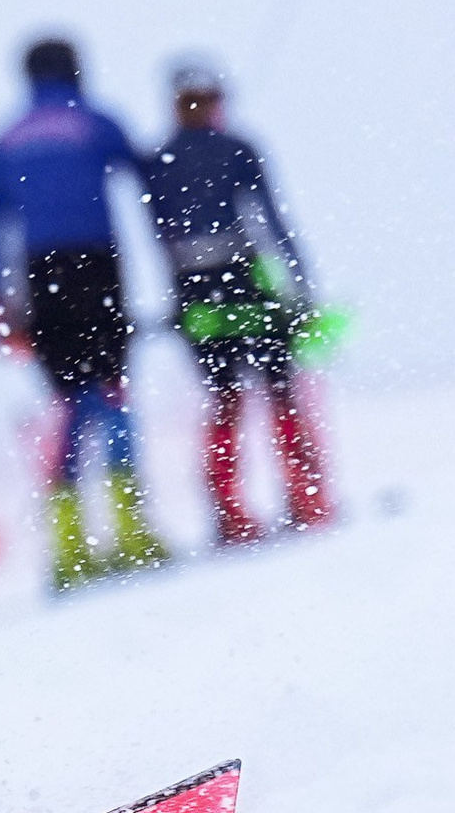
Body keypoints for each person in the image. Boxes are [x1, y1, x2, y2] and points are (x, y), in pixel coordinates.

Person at [0, 36, 171, 591]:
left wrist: (2, 303)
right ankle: (133, 533)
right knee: (112, 392)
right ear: (76, 71)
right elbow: (149, 180)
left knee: (66, 405)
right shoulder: (95, 122)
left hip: (40, 278)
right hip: (98, 269)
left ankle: (68, 550)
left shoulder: (4, 140)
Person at [141, 58, 333, 544]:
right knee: (276, 388)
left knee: (228, 397)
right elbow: (272, 221)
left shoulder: (157, 160)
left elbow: (159, 236)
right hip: (244, 278)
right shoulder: (238, 149)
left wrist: (180, 300)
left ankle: (233, 514)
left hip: (196, 289)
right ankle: (304, 498)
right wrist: (300, 286)